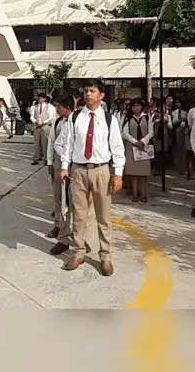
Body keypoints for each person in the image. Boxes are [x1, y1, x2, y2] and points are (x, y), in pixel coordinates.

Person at [54, 79, 126, 276]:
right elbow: (67, 144)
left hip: (101, 171)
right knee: (78, 215)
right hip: (78, 171)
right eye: (86, 91)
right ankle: (78, 252)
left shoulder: (109, 119)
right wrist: (64, 167)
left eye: (92, 91)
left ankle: (106, 256)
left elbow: (117, 148)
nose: (88, 94)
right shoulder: (75, 117)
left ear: (101, 95)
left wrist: (118, 174)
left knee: (103, 216)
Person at [46, 94, 85, 255]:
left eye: (58, 107)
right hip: (64, 167)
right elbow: (55, 143)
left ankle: (80, 240)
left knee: (80, 206)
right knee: (62, 202)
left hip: (81, 168)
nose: (56, 109)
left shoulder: (83, 121)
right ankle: (61, 234)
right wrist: (56, 161)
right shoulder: (59, 122)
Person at [121, 98, 154, 203]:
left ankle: (143, 194)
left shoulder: (147, 118)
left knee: (143, 173)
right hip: (132, 148)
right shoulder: (128, 118)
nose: (136, 107)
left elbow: (151, 132)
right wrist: (135, 142)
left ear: (142, 107)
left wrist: (143, 141)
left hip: (144, 148)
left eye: (138, 105)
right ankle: (135, 194)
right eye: (134, 105)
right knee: (134, 173)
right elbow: (125, 133)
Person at [30, 94, 54, 166]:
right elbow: (32, 116)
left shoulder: (49, 107)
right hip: (37, 126)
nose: (40, 100)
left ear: (44, 99)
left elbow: (51, 117)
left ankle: (46, 159)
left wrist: (44, 122)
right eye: (39, 98)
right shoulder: (35, 107)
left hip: (45, 126)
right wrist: (35, 122)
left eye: (41, 98)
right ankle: (36, 158)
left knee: (45, 143)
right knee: (37, 143)